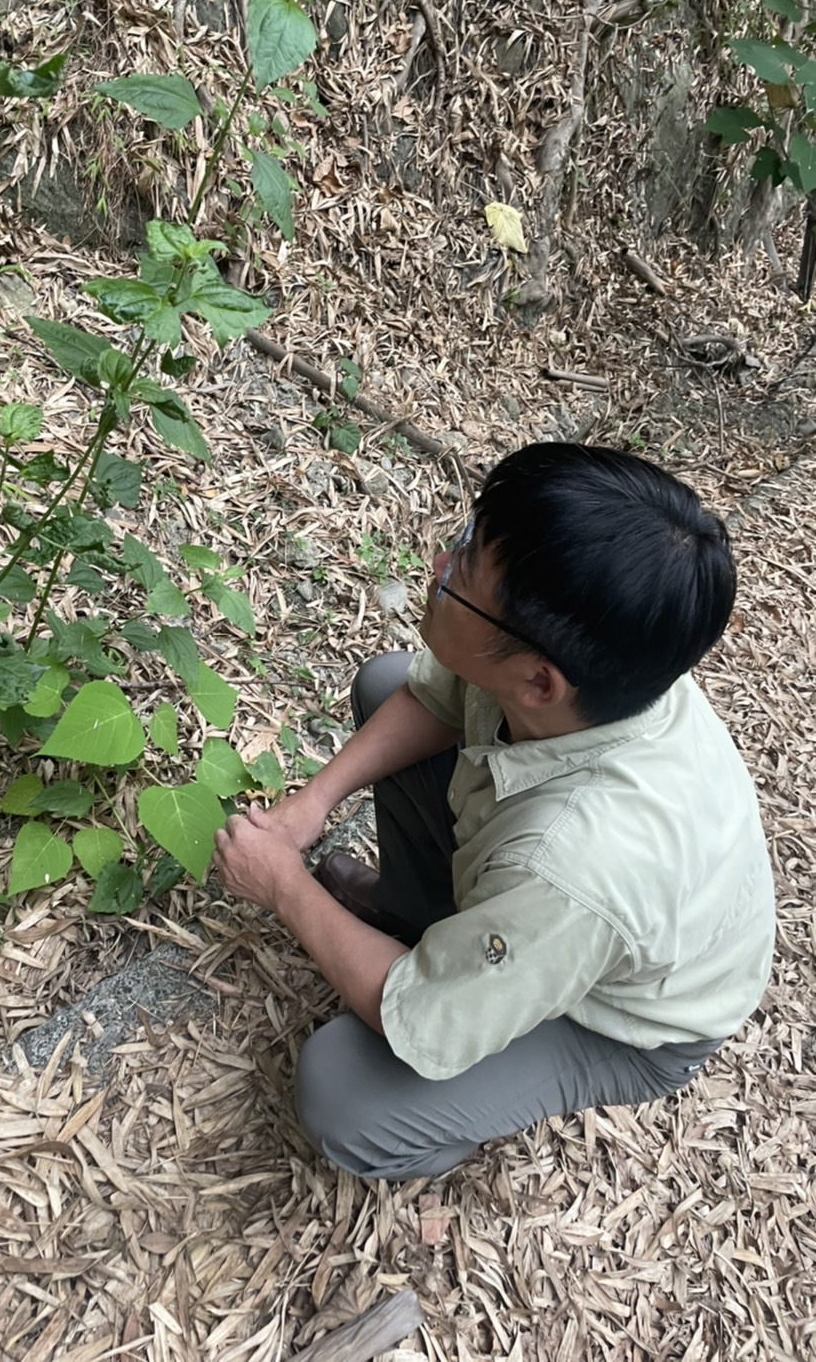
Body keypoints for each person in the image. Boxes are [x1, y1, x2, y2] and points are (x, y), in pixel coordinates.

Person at [211, 443, 776, 1180]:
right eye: (468, 538)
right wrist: (310, 804)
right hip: (578, 901)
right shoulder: (608, 662)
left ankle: (449, 1116)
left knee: (343, 1095)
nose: (440, 568)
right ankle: (412, 923)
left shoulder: (576, 867)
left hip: (630, 1019)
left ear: (539, 682)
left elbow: (419, 1020)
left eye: (465, 573)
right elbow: (432, 694)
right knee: (389, 688)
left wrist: (283, 883)